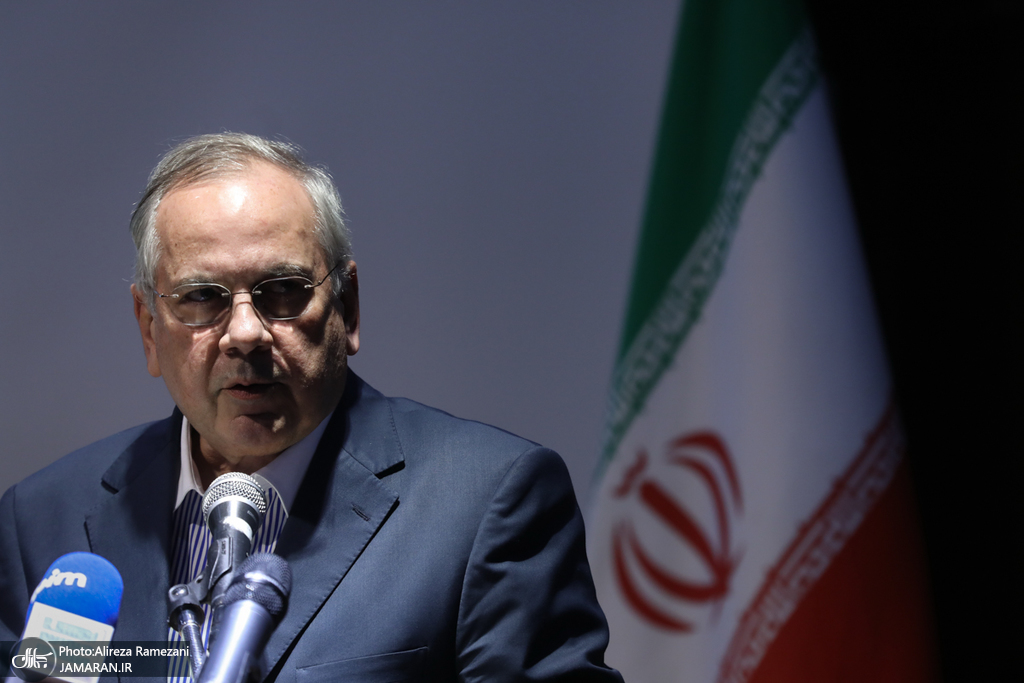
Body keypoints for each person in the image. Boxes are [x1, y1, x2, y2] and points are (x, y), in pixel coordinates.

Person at [0, 133, 623, 682]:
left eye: (282, 290)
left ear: (347, 308)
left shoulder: (486, 502)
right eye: (202, 297)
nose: (245, 333)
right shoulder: (44, 521)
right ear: (148, 328)